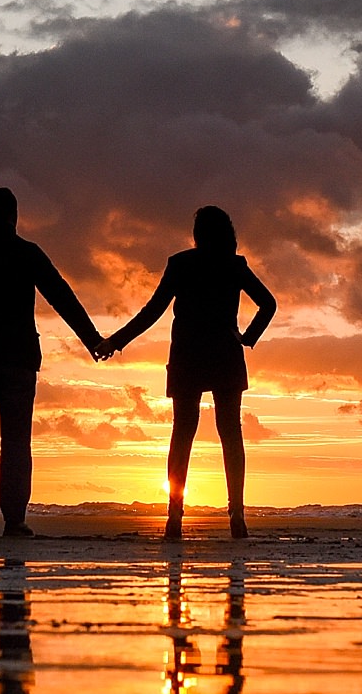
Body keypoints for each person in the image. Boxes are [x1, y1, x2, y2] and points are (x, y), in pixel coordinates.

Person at [0, 187, 105, 538]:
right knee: (16, 442)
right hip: (18, 361)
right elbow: (62, 297)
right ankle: (14, 520)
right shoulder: (26, 253)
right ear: (14, 217)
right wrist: (92, 340)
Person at [100, 206, 276, 539]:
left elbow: (152, 311)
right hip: (225, 354)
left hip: (187, 356)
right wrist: (246, 337)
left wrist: (115, 341)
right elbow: (268, 303)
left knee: (182, 433)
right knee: (230, 433)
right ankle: (237, 516)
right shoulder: (234, 265)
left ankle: (174, 517)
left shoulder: (181, 264)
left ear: (198, 234)